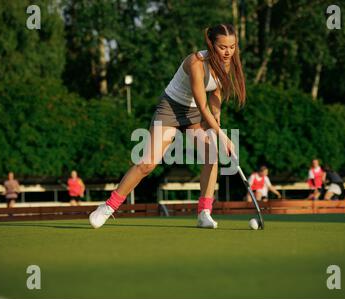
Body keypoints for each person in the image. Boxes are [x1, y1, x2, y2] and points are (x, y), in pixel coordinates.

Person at [89, 24, 246, 229]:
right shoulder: (196, 63)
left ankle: (204, 213)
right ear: (211, 44)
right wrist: (223, 136)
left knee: (211, 155)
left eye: (232, 47)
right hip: (171, 109)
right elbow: (201, 103)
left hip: (194, 115)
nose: (228, 52)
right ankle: (107, 207)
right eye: (223, 47)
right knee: (148, 164)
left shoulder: (227, 63)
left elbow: (215, 94)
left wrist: (217, 117)